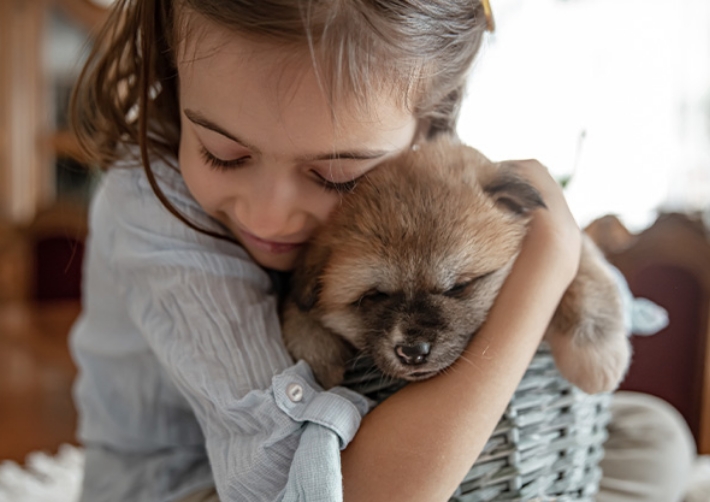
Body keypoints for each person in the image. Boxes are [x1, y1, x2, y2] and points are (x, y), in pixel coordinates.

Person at [68, 1, 696, 501]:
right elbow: (304, 491)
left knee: (653, 437)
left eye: (338, 175)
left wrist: (563, 260)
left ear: (429, 125)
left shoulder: (432, 181)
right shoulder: (148, 201)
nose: (270, 213)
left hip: (387, 434)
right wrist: (550, 261)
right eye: (222, 153)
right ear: (175, 85)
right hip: (200, 485)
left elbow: (589, 320)